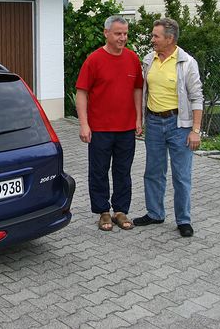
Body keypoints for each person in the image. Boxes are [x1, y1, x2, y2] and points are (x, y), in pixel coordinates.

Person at [133, 18, 203, 237]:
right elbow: (143, 91)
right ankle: (155, 213)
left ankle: (183, 220)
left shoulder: (187, 62)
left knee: (181, 175)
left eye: (156, 36)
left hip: (179, 125)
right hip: (154, 122)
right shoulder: (149, 60)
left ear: (170, 38)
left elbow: (197, 97)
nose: (152, 39)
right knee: (153, 171)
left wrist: (195, 130)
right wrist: (140, 120)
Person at [76, 15, 143, 232]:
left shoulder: (132, 58)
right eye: (118, 34)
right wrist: (84, 124)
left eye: (125, 33)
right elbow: (81, 92)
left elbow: (137, 89)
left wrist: (138, 118)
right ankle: (103, 211)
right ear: (106, 33)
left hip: (126, 128)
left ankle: (120, 211)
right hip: (100, 128)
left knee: (123, 171)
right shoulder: (94, 60)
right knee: (99, 171)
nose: (122, 38)